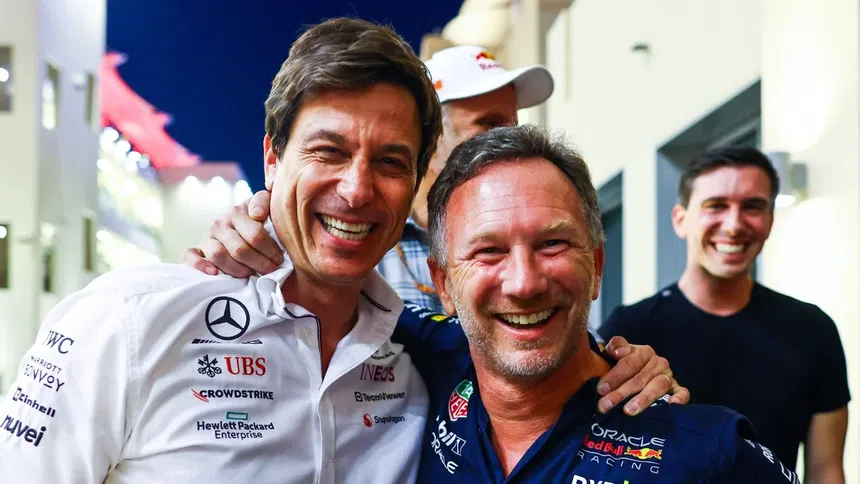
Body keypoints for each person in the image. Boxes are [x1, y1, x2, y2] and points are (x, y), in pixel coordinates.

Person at [0, 19, 680, 484]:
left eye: (389, 161)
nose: (357, 190)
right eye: (328, 151)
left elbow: (529, 358)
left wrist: (620, 366)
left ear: (414, 180)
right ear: (273, 158)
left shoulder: (420, 357)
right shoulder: (128, 320)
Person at [385, 125, 800, 482]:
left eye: (553, 243)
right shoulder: (428, 353)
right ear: (443, 282)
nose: (524, 284)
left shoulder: (709, 453)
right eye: (489, 251)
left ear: (597, 265)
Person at [188, 44, 553, 314]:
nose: (356, 191)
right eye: (490, 126)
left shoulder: (528, 232)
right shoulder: (356, 234)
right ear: (432, 137)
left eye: (513, 125)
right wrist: (236, 247)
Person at [597, 146, 851, 482]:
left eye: (752, 206)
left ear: (770, 220)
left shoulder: (812, 330)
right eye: (716, 205)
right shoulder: (629, 330)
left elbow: (826, 471)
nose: (733, 225)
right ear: (680, 220)